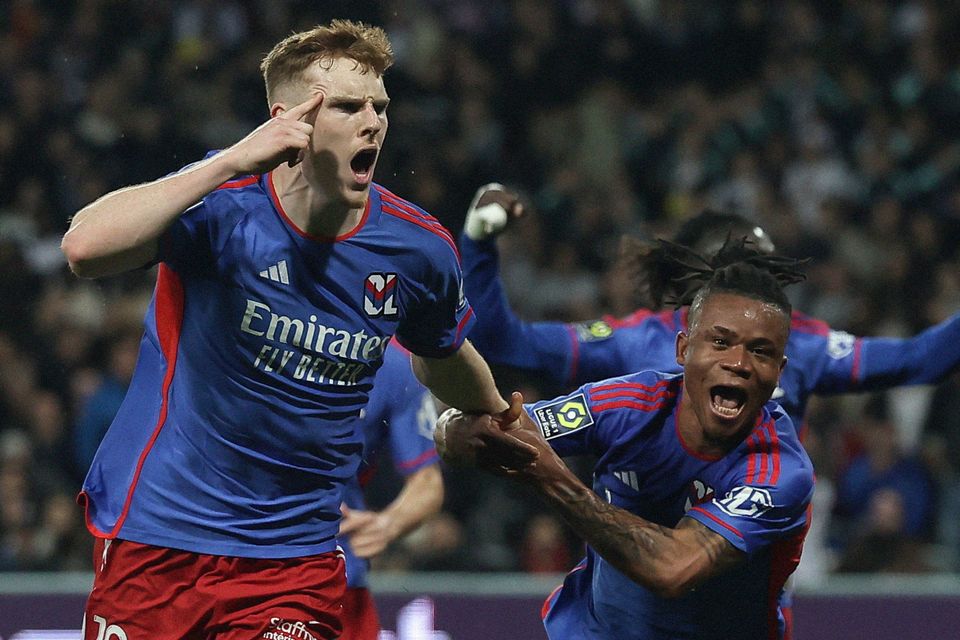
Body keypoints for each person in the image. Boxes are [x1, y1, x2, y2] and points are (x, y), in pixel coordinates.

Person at [60, 20, 526, 640]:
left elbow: (440, 352)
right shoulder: (224, 205)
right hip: (159, 534)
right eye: (347, 106)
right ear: (290, 121)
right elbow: (84, 249)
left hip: (294, 559)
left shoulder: (418, 249)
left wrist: (500, 416)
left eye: (379, 107)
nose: (374, 123)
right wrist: (228, 161)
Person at [436, 246, 815, 639]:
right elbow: (496, 429)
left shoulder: (780, 471)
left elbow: (672, 569)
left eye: (761, 351)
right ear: (683, 349)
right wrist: (456, 429)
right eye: (720, 342)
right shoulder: (627, 405)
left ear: (779, 372)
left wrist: (552, 478)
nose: (739, 363)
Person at [460, 187, 960, 436]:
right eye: (753, 269)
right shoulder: (633, 342)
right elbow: (504, 341)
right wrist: (479, 244)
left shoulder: (801, 344)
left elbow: (924, 359)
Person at [338, 340, 444, 639]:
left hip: (336, 569)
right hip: (219, 552)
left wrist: (387, 524)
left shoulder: (395, 366)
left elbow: (427, 483)